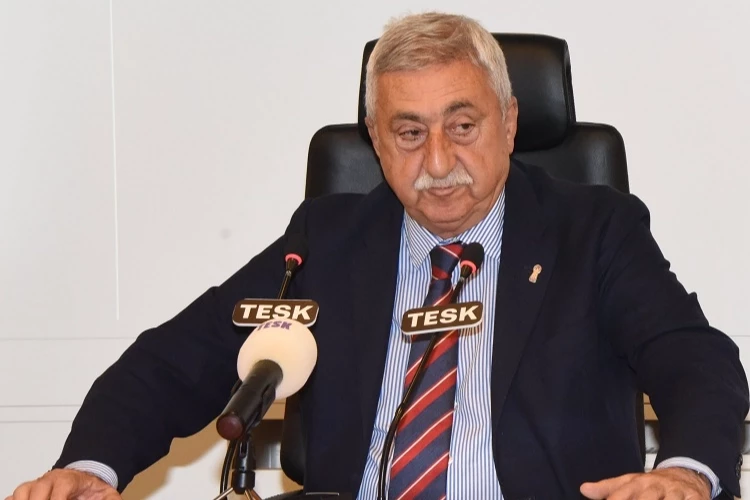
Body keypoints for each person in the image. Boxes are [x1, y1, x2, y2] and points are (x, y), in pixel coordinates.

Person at [6, 11, 748, 500]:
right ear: (375, 140)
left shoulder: (594, 232)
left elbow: (696, 360)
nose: (439, 161)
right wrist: (87, 468)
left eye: (463, 125)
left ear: (510, 122)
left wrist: (686, 473)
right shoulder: (328, 242)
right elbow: (172, 362)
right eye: (409, 133)